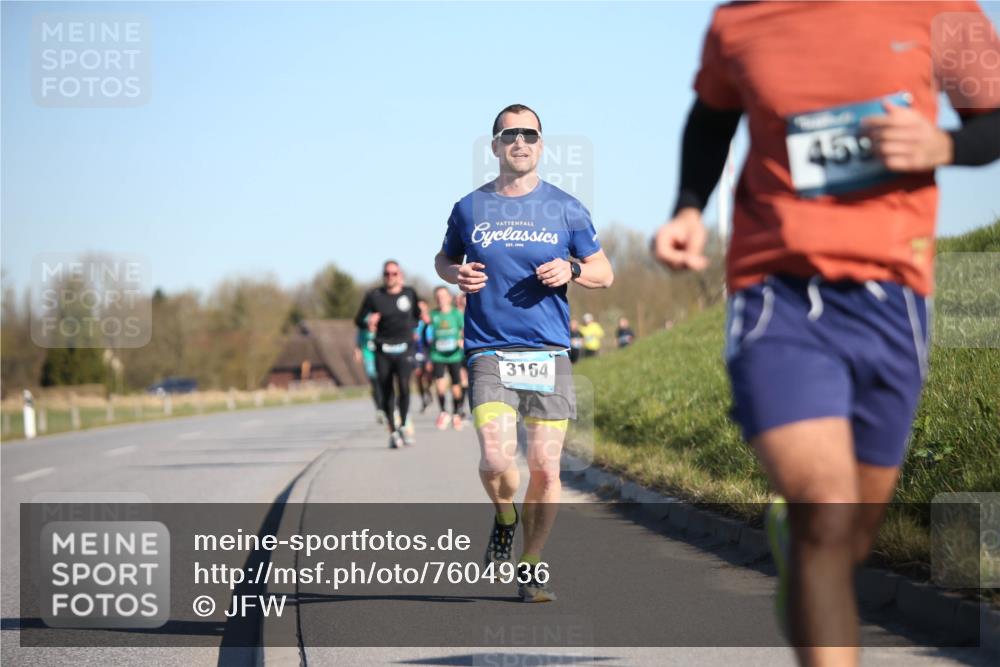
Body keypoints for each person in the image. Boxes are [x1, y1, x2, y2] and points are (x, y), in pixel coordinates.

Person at [651, 3, 999, 665]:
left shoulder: (945, 13)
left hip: (893, 295)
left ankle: (799, 539)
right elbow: (711, 118)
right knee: (826, 512)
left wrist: (945, 145)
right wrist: (689, 208)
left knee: (849, 536)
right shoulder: (741, 20)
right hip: (775, 290)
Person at [435, 103, 614, 602]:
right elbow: (444, 258)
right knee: (495, 459)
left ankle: (531, 563)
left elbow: (605, 271)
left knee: (545, 467)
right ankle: (504, 515)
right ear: (494, 146)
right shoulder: (469, 208)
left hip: (549, 352)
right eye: (509, 134)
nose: (520, 141)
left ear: (541, 145)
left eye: (529, 134)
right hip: (489, 349)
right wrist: (455, 274)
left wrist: (573, 272)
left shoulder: (567, 208)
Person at [354, 260, 422, 448]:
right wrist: (368, 322)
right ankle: (393, 431)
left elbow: (417, 315)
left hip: (405, 347)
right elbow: (358, 320)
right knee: (386, 391)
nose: (390, 277)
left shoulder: (409, 293)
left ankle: (404, 424)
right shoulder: (374, 296)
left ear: (400, 274)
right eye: (387, 274)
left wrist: (415, 327)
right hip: (383, 349)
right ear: (383, 276)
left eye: (394, 273)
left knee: (404, 387)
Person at [429, 285, 466, 430]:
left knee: (456, 385)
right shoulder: (433, 315)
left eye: (443, 296)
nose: (441, 299)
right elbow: (425, 331)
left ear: (449, 298)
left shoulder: (456, 314)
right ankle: (444, 412)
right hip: (437, 354)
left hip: (454, 354)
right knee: (439, 384)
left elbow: (464, 330)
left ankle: (456, 413)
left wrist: (462, 340)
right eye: (438, 297)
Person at [354, 315, 385, 423]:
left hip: (382, 357)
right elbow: (358, 343)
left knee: (384, 383)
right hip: (369, 358)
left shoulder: (381, 325)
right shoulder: (363, 330)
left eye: (373, 324)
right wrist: (358, 352)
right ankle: (379, 408)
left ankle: (387, 405)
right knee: (375, 383)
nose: (371, 326)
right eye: (369, 324)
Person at [412, 300, 434, 414]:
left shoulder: (431, 320)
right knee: (418, 375)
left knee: (428, 375)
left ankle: (428, 391)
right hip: (416, 351)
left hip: (429, 351)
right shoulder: (413, 320)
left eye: (423, 308)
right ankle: (423, 399)